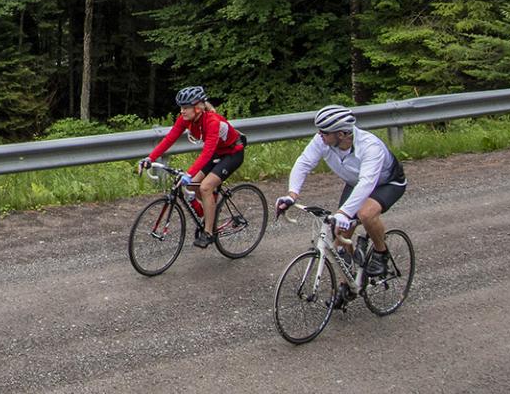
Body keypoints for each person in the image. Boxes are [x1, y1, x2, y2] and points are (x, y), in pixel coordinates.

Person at [275, 105, 407, 278]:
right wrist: (292, 194)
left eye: (325, 132)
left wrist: (344, 213)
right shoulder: (322, 140)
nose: (320, 135)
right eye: (319, 131)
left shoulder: (370, 146)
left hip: (387, 184)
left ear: (342, 134)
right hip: (355, 183)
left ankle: (381, 253)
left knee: (366, 214)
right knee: (339, 238)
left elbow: (367, 183)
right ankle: (349, 283)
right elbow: (304, 163)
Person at [137, 86, 246, 248]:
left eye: (186, 107)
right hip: (217, 153)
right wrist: (149, 158)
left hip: (233, 153)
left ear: (197, 108)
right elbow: (169, 139)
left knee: (205, 187)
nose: (182, 111)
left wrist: (188, 173)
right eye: (181, 107)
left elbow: (207, 153)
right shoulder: (185, 120)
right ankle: (210, 210)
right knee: (192, 185)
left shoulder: (212, 121)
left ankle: (209, 232)